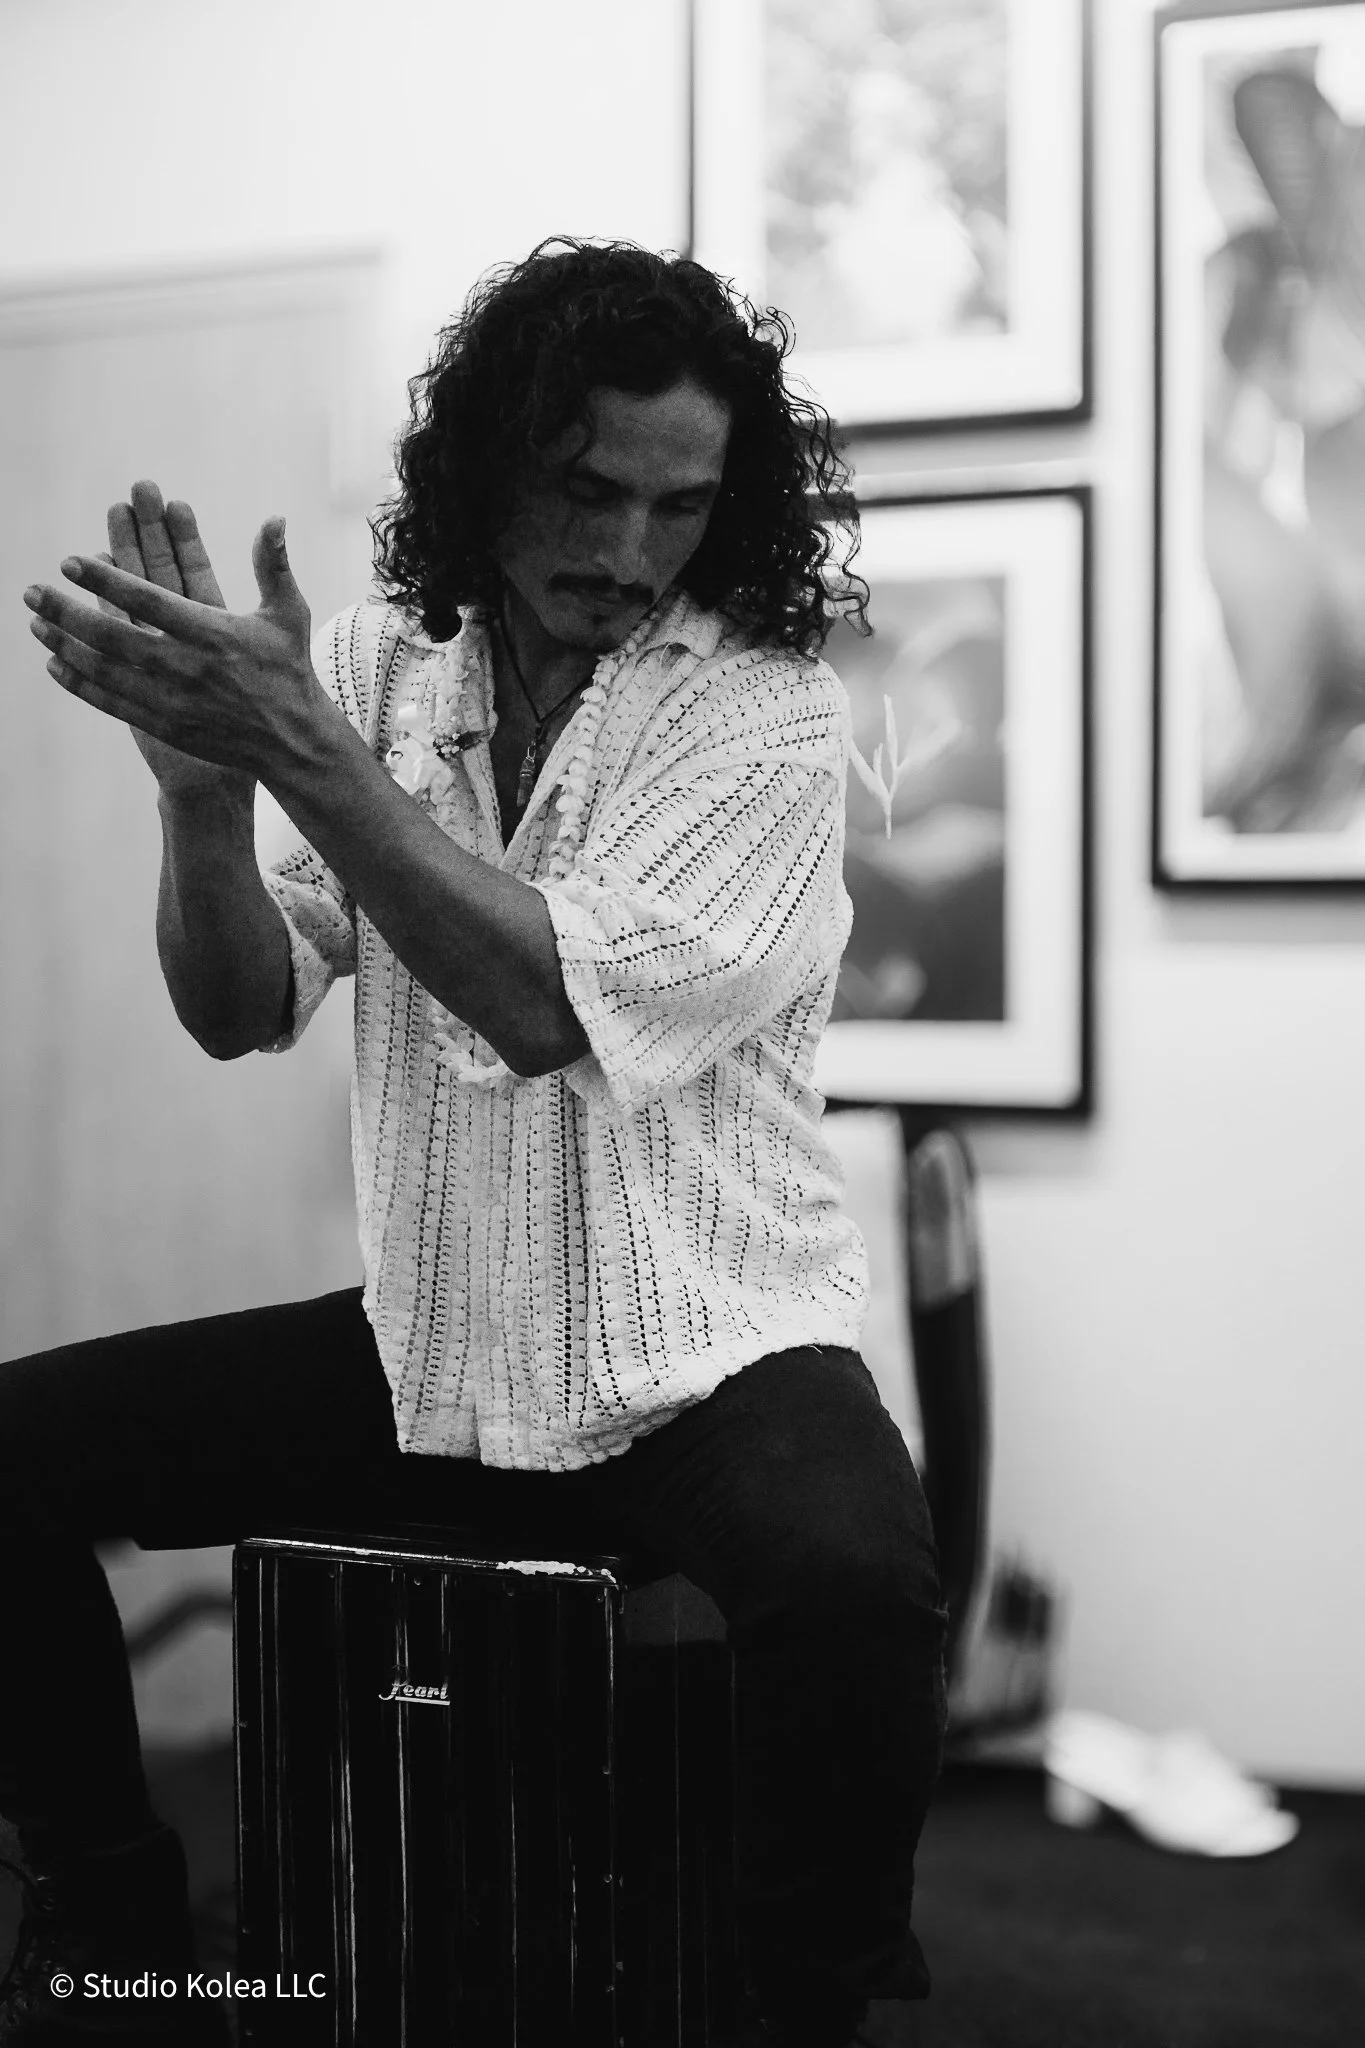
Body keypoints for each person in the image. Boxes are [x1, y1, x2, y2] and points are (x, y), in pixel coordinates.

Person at [3, 238, 947, 2048]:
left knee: (861, 1593)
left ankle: (803, 2011)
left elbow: (539, 1006)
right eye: (588, 490)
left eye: (681, 505)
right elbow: (238, 1005)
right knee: (10, 1457)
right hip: (438, 1346)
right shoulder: (375, 669)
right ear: (491, 468)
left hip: (709, 1352)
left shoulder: (763, 712)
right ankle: (108, 1942)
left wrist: (305, 758)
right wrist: (204, 805)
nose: (630, 550)